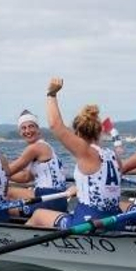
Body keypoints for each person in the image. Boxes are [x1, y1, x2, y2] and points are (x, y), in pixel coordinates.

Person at [25, 79, 123, 231]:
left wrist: (51, 94)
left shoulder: (85, 151)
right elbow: (103, 182)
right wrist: (79, 188)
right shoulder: (112, 155)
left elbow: (55, 126)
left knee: (38, 214)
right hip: (116, 219)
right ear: (99, 131)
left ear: (77, 133)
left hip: (89, 222)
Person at [7, 110, 68, 201]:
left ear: (38, 130)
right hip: (58, 197)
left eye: (31, 127)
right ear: (20, 132)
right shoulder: (45, 146)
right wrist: (5, 175)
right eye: (23, 128)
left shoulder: (36, 148)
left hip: (48, 196)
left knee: (5, 192)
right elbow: (26, 177)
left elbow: (9, 170)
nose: (27, 131)